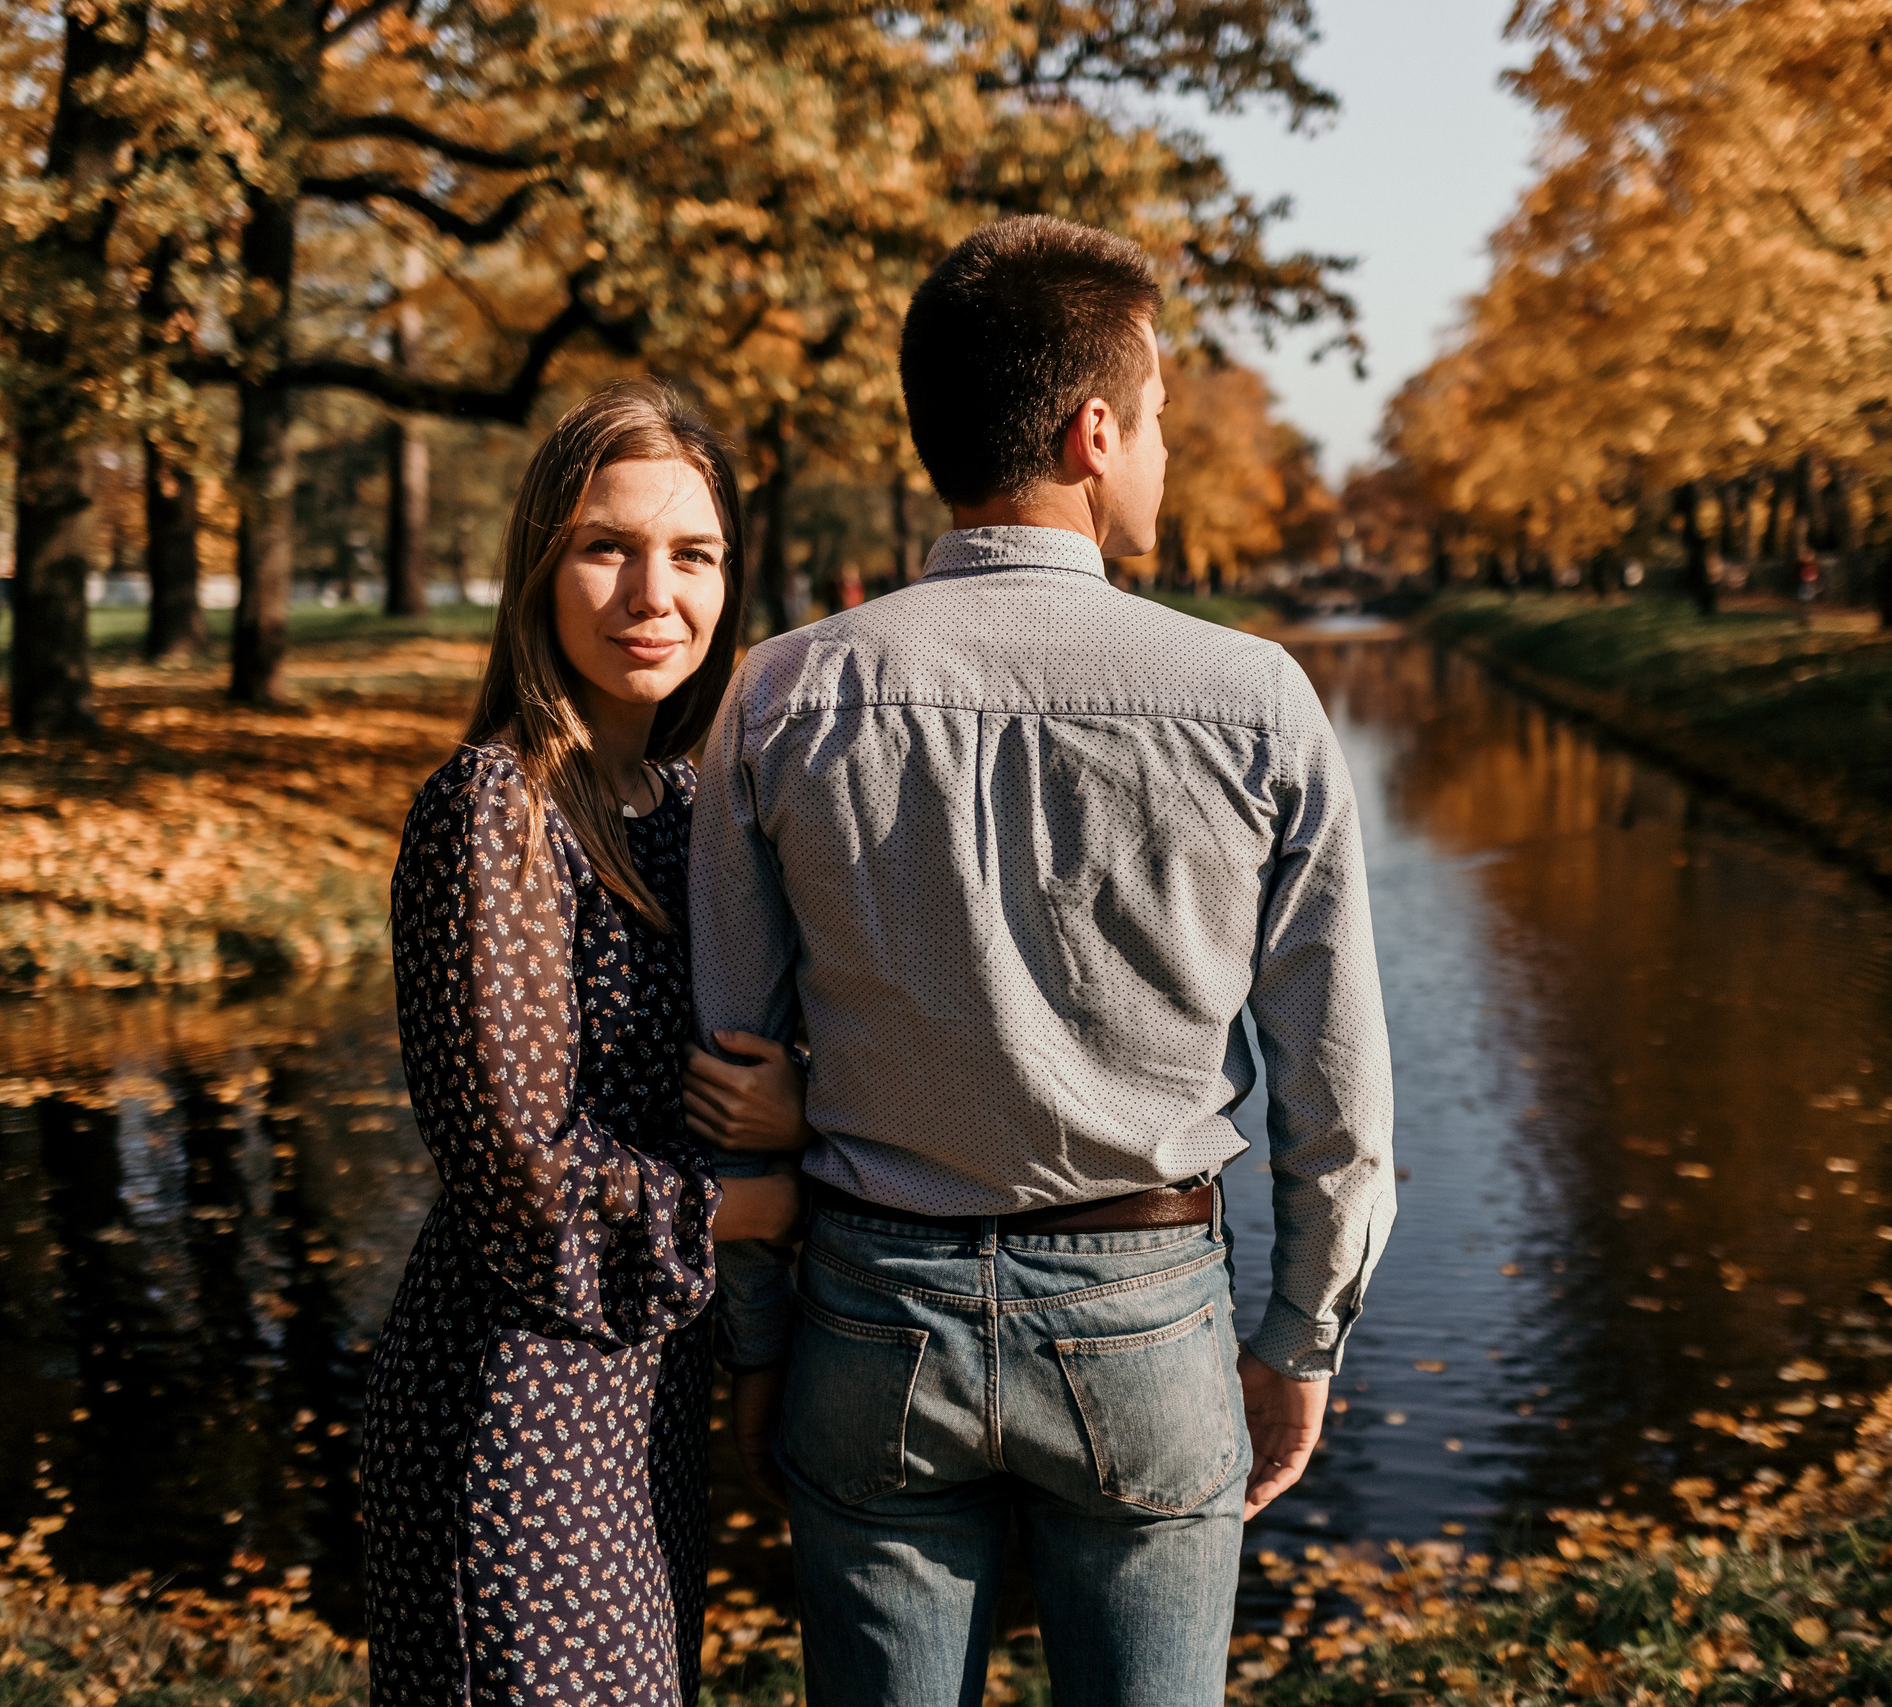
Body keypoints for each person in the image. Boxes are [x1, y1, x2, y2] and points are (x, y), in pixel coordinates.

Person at [691, 216, 1397, 1707]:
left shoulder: (779, 696)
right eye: (1153, 424)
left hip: (869, 1317)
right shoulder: (1256, 700)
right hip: (1148, 1317)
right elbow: (1336, 1100)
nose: (1161, 457)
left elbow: (731, 1068)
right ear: (1091, 432)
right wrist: (1302, 1338)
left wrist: (761, 1347)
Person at [363, 380, 812, 1707]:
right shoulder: (495, 805)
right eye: (606, 546)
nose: (650, 593)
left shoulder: (687, 806)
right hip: (515, 1393)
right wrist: (770, 1203)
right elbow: (519, 1170)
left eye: (693, 554)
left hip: (644, 1383)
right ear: (541, 565)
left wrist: (801, 1111)